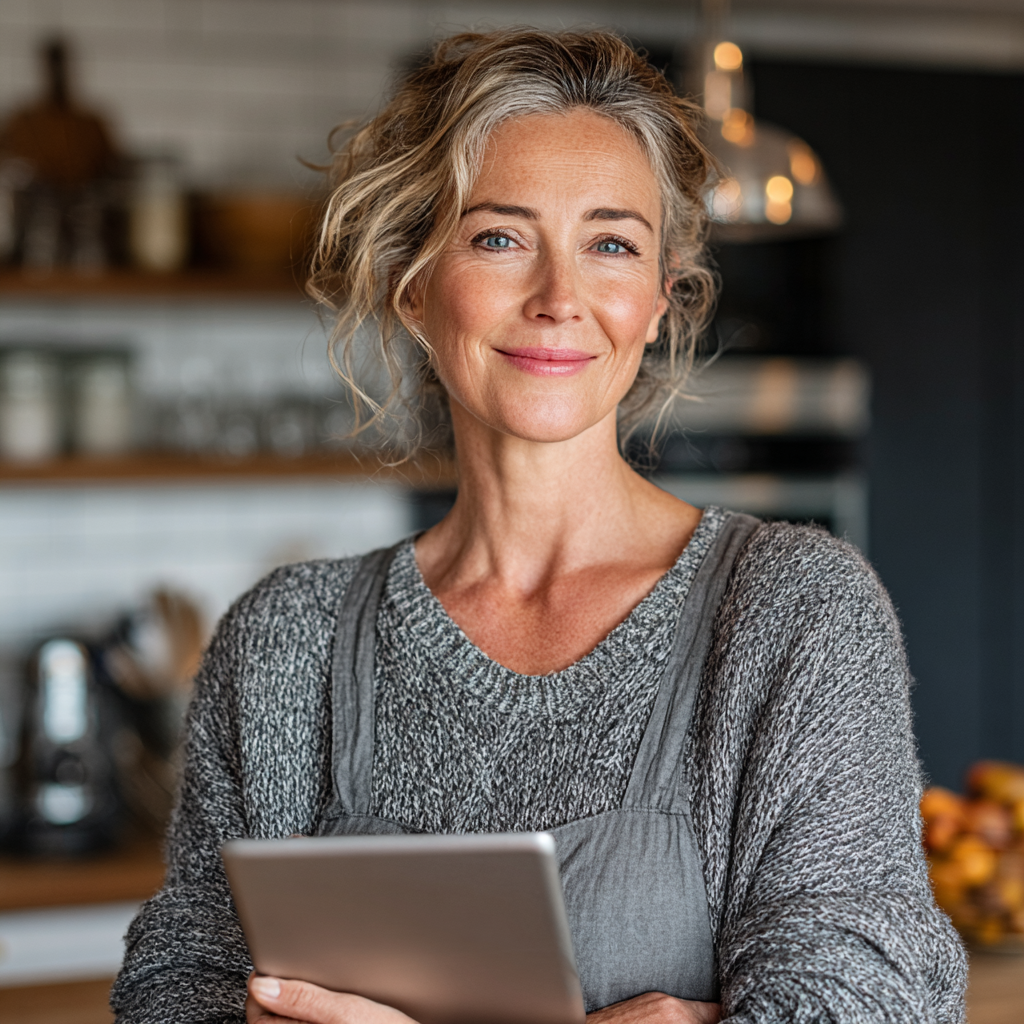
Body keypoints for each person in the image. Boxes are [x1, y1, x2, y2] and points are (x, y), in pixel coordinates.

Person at [112, 28, 967, 1024]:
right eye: (498, 237)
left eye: (610, 243)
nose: (560, 298)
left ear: (658, 298)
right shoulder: (286, 642)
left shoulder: (793, 614)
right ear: (415, 284)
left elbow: (864, 1001)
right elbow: (174, 990)